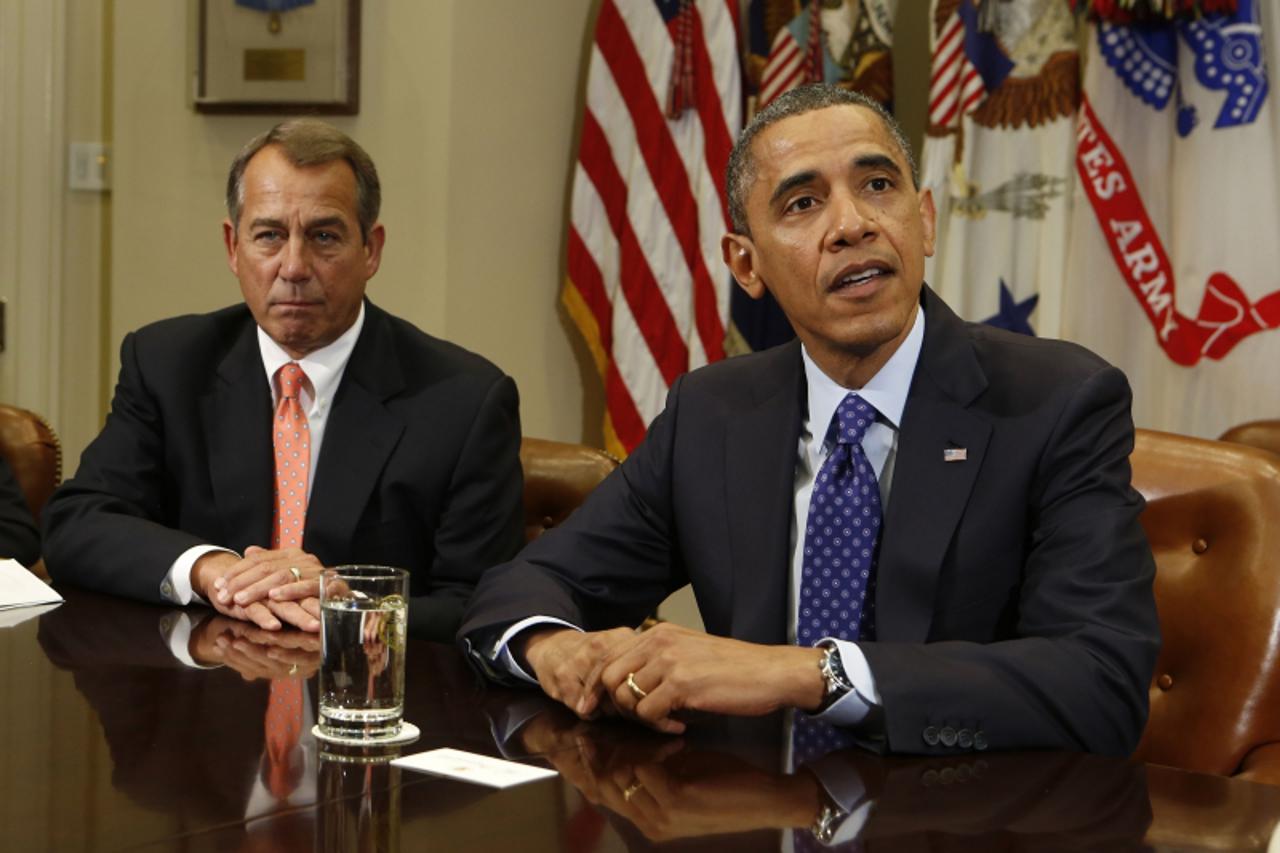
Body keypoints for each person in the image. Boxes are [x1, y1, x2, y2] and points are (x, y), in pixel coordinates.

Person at [459, 85, 1159, 755]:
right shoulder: (714, 411)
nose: (852, 224)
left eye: (878, 186)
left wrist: (805, 672)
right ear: (745, 263)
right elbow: (525, 586)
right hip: (754, 810)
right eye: (802, 203)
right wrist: (559, 649)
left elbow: (1099, 681)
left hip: (961, 818)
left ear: (927, 219)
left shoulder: (1057, 402)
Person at [43, 119, 523, 641]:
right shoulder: (167, 363)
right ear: (233, 247)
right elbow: (77, 524)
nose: (294, 266)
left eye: (324, 236)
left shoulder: (463, 400)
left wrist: (350, 604)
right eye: (269, 235)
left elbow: (482, 604)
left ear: (371, 249)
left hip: (371, 700)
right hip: (205, 697)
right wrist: (213, 570)